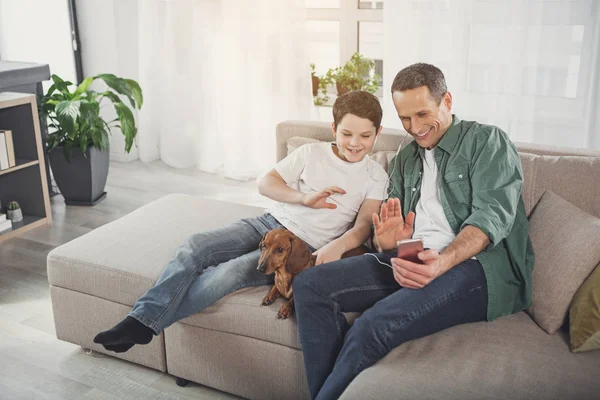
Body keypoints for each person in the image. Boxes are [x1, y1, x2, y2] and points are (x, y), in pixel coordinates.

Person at [292, 63, 535, 400]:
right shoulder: (407, 156)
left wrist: (441, 263)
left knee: (370, 327)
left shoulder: (487, 141)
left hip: (478, 268)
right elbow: (396, 234)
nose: (415, 128)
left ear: (447, 100)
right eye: (405, 118)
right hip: (415, 256)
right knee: (309, 284)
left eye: (422, 114)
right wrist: (389, 242)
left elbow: (490, 219)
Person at [93, 90, 389, 353]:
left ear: (376, 133)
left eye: (365, 136)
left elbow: (364, 225)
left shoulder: (375, 174)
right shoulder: (311, 153)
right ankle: (141, 321)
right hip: (269, 224)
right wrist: (303, 198)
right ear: (334, 128)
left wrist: (337, 247)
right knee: (196, 245)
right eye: (347, 133)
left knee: (229, 273)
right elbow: (266, 184)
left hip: (300, 248)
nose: (355, 143)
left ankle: (142, 324)